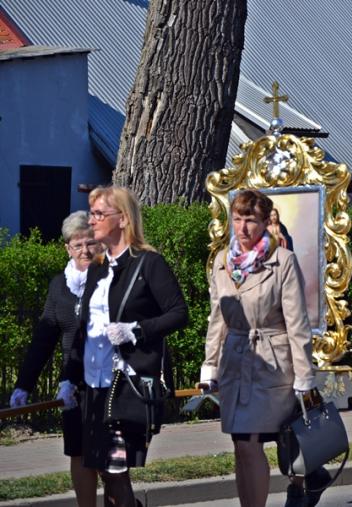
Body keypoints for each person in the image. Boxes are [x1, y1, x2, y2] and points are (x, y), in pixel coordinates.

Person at [199, 189, 328, 507]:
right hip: (235, 360)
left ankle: (296, 483)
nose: (243, 228)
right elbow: (218, 317)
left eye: (251, 220)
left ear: (265, 221)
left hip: (271, 362)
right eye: (237, 219)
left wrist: (304, 376)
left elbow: (296, 322)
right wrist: (210, 364)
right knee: (240, 444)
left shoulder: (282, 260)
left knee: (251, 441)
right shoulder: (223, 261)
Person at [62, 186, 189, 507]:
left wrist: (136, 330)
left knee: (114, 469)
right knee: (106, 470)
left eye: (99, 214)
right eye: (91, 213)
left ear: (123, 219)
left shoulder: (148, 263)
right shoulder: (98, 268)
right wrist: (69, 377)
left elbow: (178, 313)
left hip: (126, 386)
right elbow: (86, 329)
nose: (92, 221)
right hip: (94, 387)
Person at [9, 211, 100, 507]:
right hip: (72, 389)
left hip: (108, 383)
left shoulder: (110, 280)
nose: (85, 250)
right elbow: (43, 339)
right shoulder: (59, 286)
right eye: (77, 245)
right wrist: (24, 385)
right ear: (67, 249)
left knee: (109, 458)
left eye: (90, 243)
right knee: (78, 453)